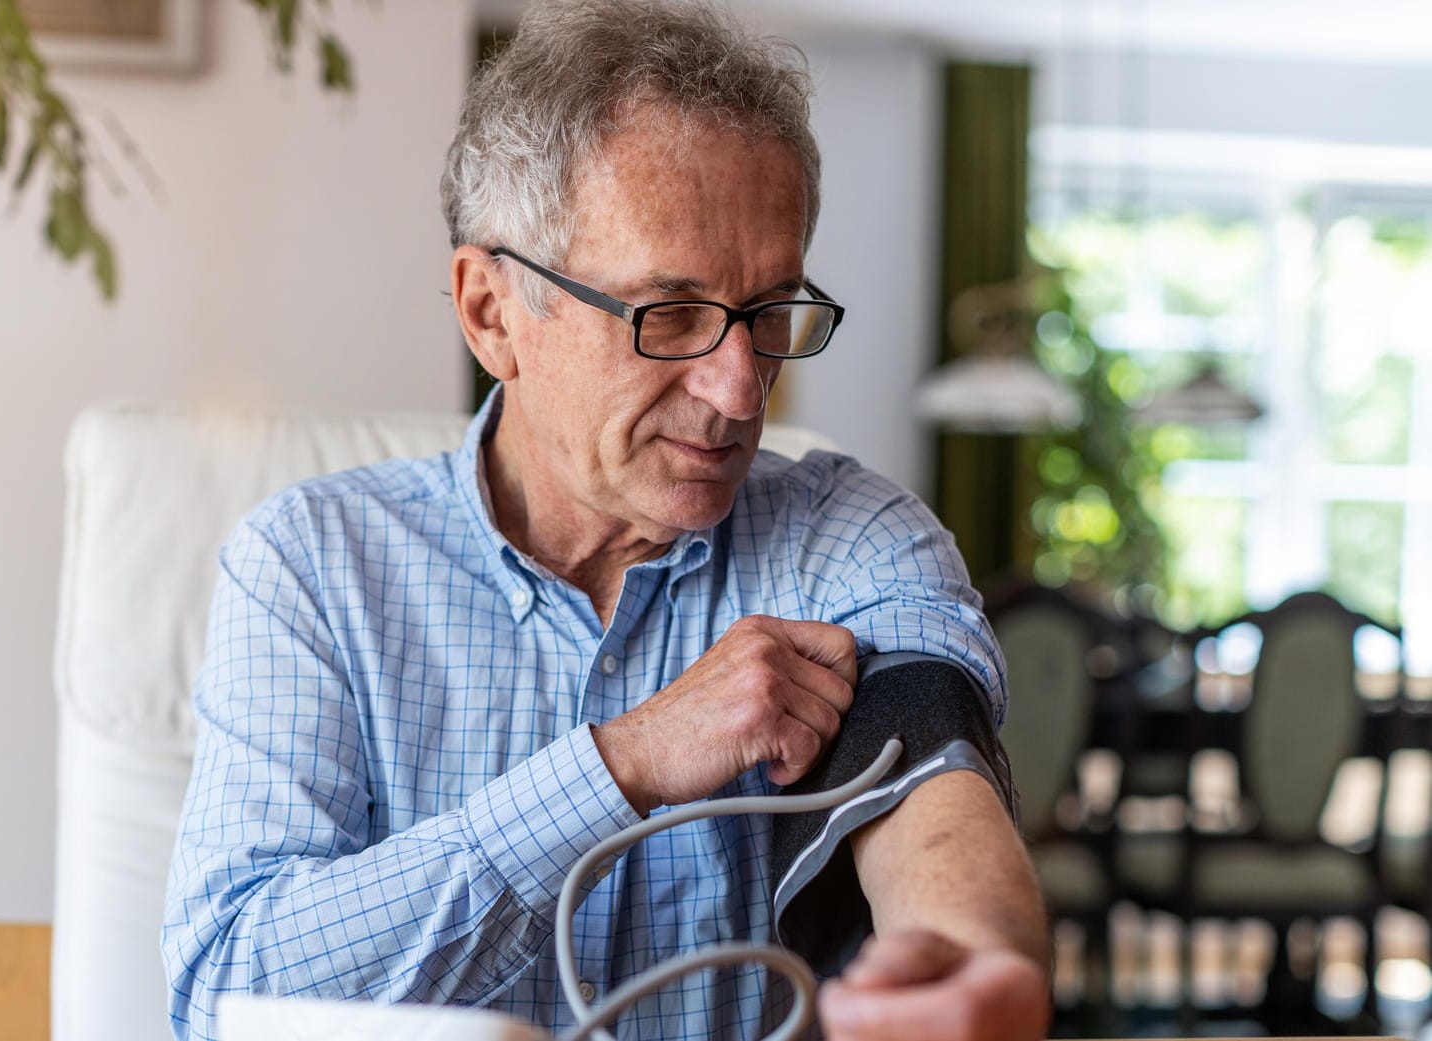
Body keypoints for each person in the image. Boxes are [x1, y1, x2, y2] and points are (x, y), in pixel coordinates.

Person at [164, 2, 1051, 1038]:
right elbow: (224, 990)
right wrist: (620, 764)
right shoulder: (313, 568)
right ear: (492, 312)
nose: (738, 390)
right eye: (666, 315)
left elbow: (929, 774)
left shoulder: (846, 535)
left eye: (767, 314)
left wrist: (968, 962)